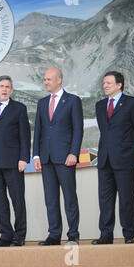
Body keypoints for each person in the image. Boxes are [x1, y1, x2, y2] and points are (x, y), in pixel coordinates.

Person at [92, 71, 134, 245]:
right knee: (105, 200)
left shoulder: (132, 103)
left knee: (126, 199)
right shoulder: (100, 105)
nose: (105, 86)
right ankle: (106, 235)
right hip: (105, 160)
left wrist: (129, 149)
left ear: (119, 84)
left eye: (108, 83)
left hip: (125, 159)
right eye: (104, 83)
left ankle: (129, 235)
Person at [33, 68, 83, 246]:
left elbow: (78, 129)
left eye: (49, 79)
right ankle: (54, 235)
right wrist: (36, 155)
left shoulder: (72, 101)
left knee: (70, 198)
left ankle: (73, 234)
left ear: (59, 80)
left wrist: (74, 153)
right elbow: (38, 130)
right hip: (46, 158)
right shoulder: (42, 103)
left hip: (65, 158)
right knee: (51, 199)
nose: (46, 82)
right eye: (44, 79)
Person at [0, 76, 30, 247]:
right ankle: (6, 235)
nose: (4, 89)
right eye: (1, 86)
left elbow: (25, 136)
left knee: (17, 200)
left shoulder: (19, 108)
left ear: (12, 90)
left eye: (8, 87)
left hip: (13, 162)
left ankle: (20, 235)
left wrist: (24, 158)